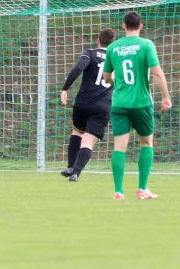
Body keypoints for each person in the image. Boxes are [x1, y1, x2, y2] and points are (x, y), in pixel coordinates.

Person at [103, 11, 172, 200]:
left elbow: (107, 77)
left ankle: (118, 191)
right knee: (146, 142)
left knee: (119, 147)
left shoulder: (113, 47)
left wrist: (116, 84)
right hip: (141, 103)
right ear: (141, 26)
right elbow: (157, 73)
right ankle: (142, 188)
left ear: (123, 26)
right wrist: (165, 97)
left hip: (119, 104)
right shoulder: (146, 45)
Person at [60, 28, 116, 182]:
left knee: (77, 131)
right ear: (113, 44)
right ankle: (76, 173)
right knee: (88, 141)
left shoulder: (90, 53)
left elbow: (79, 68)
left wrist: (65, 88)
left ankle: (71, 166)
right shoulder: (116, 58)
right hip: (104, 106)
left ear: (98, 40)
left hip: (83, 103)